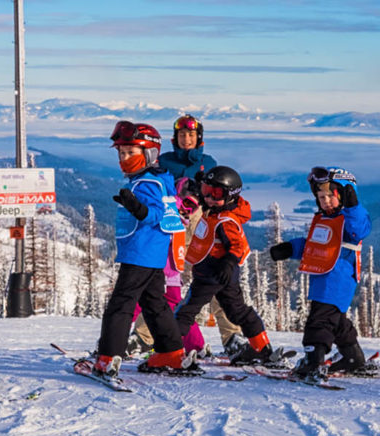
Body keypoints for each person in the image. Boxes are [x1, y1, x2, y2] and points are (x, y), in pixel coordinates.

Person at [127, 114, 247, 358]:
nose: (186, 139)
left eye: (191, 135)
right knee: (163, 280)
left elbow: (221, 195)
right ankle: (143, 335)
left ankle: (232, 335)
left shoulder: (208, 161)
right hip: (173, 224)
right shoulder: (165, 161)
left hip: (203, 223)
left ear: (199, 138)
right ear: (175, 138)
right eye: (182, 135)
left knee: (216, 277)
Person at [93, 120, 201, 381]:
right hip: (151, 254)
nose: (124, 158)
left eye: (131, 152)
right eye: (121, 153)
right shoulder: (154, 179)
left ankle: (108, 357)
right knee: (155, 305)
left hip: (140, 253)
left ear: (149, 153)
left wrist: (136, 207)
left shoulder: (146, 184)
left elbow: (155, 214)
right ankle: (171, 352)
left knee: (121, 305)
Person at [268, 166, 375, 382]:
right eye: (321, 196)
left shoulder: (349, 218)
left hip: (339, 278)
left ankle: (313, 362)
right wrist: (290, 248)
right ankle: (352, 358)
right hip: (322, 277)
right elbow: (313, 244)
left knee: (320, 321)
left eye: (330, 196)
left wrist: (352, 205)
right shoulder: (325, 218)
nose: (325, 201)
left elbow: (359, 230)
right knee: (336, 322)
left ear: (344, 195)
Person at [175, 166, 282, 366]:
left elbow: (236, 245)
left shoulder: (225, 220)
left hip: (212, 273)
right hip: (223, 275)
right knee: (237, 311)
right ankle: (262, 347)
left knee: (186, 310)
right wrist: (202, 186)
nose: (208, 198)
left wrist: (229, 262)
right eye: (207, 191)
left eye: (215, 194)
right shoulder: (216, 208)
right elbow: (205, 199)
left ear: (230, 196)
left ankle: (169, 353)